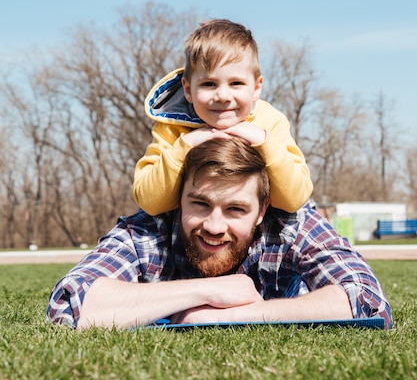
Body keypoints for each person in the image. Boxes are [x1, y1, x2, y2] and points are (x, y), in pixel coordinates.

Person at [47, 138, 392, 330]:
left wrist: (224, 316)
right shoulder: (149, 229)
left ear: (262, 210)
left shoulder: (293, 223)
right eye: (199, 203)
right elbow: (71, 303)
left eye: (235, 210)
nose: (214, 226)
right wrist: (210, 289)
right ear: (178, 198)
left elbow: (366, 300)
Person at [132, 19, 313, 216]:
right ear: (188, 89)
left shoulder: (270, 122)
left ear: (256, 88)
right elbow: (149, 202)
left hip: (260, 225)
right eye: (209, 84)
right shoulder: (172, 128)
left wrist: (263, 142)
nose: (223, 96)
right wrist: (185, 145)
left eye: (236, 83)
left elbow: (295, 198)